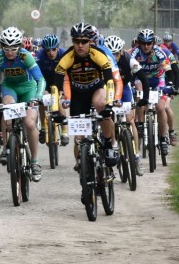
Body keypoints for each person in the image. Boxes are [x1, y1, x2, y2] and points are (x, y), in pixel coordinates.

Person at [56, 23, 122, 181]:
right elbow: (56, 85)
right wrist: (54, 109)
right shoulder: (67, 57)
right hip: (78, 95)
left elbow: (109, 80)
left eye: (84, 41)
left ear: (90, 42)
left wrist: (109, 103)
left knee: (101, 104)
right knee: (79, 138)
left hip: (96, 89)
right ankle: (82, 167)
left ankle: (108, 144)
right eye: (76, 41)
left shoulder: (98, 54)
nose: (80, 45)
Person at [0, 26, 46, 182]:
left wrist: (37, 97)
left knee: (29, 123)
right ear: (1, 47)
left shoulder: (26, 57)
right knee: (7, 109)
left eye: (13, 48)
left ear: (19, 46)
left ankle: (34, 162)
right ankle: (6, 148)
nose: (10, 52)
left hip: (28, 89)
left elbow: (40, 80)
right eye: (6, 48)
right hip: (10, 88)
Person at [104, 34, 148, 175]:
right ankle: (113, 144)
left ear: (121, 51)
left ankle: (136, 157)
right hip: (109, 89)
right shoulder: (102, 61)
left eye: (116, 54)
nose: (114, 57)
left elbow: (143, 79)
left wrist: (145, 98)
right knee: (107, 117)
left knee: (130, 120)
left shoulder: (129, 60)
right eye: (111, 54)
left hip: (125, 90)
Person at [131, 29, 174, 155]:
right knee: (139, 95)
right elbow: (130, 72)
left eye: (149, 43)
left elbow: (169, 70)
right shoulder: (135, 53)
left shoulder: (159, 52)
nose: (146, 46)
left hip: (157, 80)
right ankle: (139, 124)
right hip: (140, 79)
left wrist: (170, 85)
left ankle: (162, 139)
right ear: (139, 43)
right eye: (143, 43)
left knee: (161, 108)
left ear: (153, 43)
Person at [35, 34, 69, 145]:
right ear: (44, 50)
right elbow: (35, 73)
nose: (51, 53)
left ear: (57, 48)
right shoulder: (39, 55)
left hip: (58, 80)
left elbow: (68, 73)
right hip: (44, 80)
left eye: (54, 49)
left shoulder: (63, 54)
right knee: (42, 101)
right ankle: (43, 128)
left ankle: (64, 132)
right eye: (48, 50)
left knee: (58, 102)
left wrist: (64, 90)